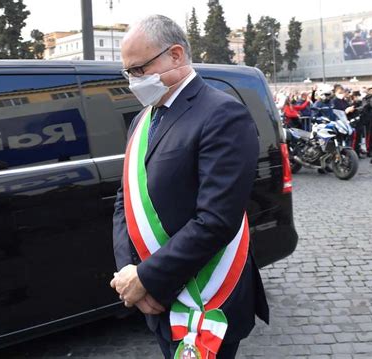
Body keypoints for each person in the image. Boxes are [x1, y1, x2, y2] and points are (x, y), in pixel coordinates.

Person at [110, 15, 268, 359]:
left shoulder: (223, 114)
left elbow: (216, 219)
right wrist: (130, 274)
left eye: (139, 70)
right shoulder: (143, 118)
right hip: (157, 295)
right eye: (128, 73)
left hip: (208, 296)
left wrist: (148, 277)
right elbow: (126, 199)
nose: (133, 81)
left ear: (176, 55)